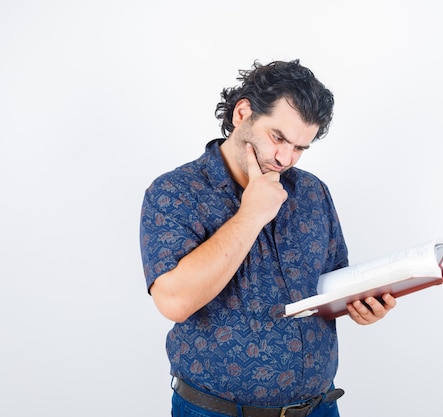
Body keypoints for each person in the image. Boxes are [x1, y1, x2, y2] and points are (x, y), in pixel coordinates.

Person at [140, 59, 396, 417]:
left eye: (300, 148)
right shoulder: (176, 192)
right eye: (278, 138)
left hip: (318, 408)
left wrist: (361, 305)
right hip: (217, 412)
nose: (285, 158)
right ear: (243, 113)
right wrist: (251, 214)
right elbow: (174, 302)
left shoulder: (311, 192)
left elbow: (334, 282)